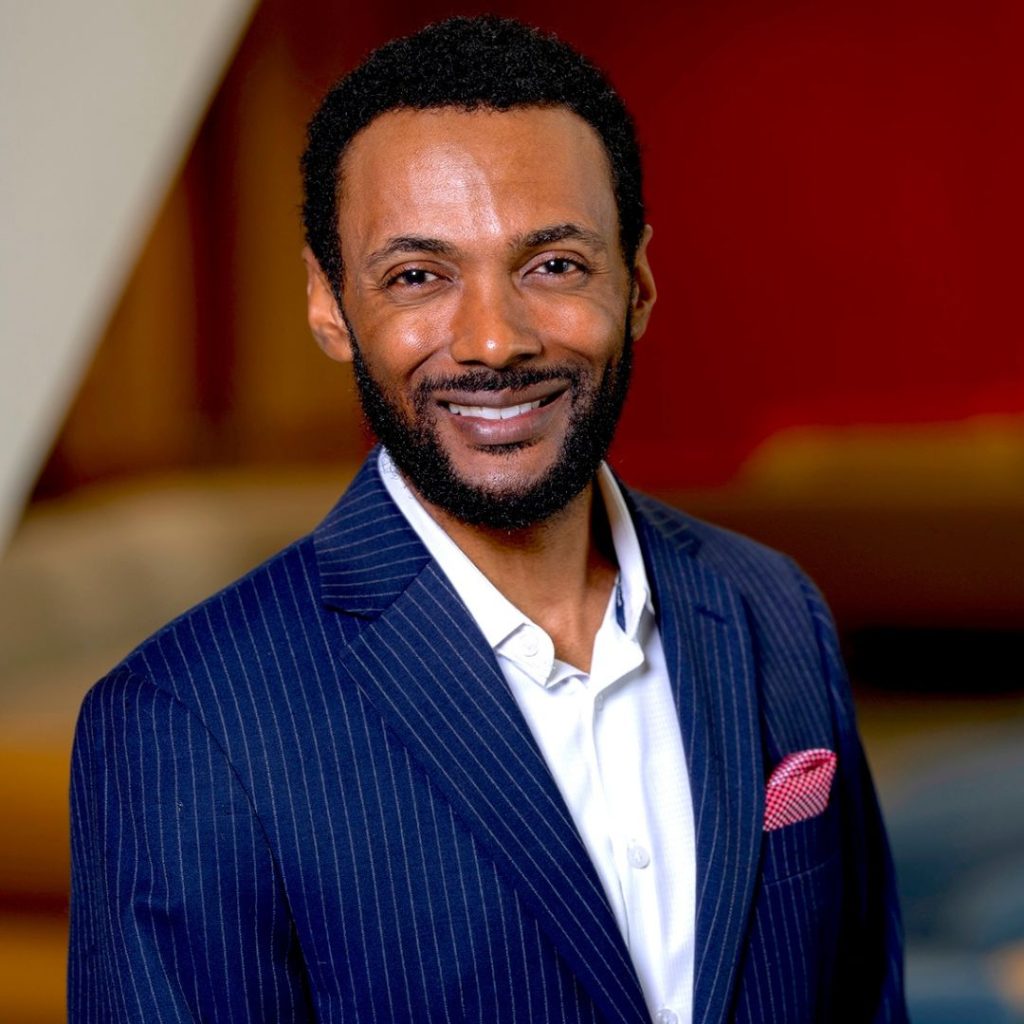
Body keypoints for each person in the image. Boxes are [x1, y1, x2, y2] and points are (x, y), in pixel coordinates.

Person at [68, 15, 906, 1023]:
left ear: (636, 281)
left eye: (552, 264)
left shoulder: (776, 608)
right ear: (329, 305)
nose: (494, 341)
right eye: (417, 276)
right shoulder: (185, 720)